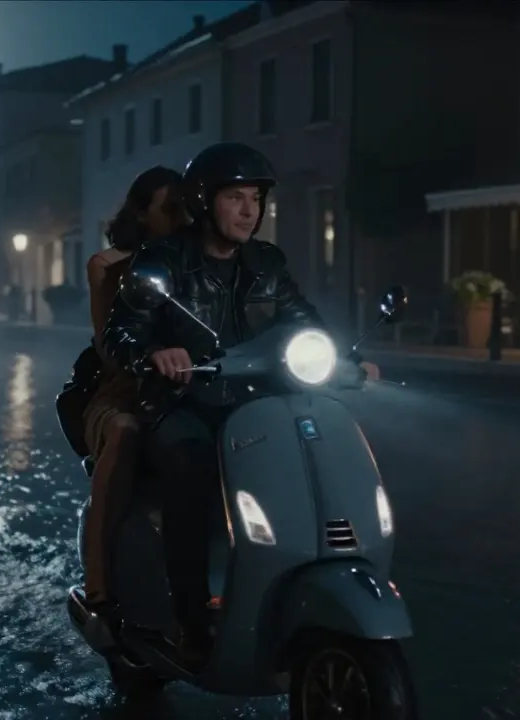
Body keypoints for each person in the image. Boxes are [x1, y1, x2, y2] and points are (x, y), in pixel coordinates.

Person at [102, 143, 378, 666]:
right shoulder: (165, 260)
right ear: (205, 201)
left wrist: (344, 359)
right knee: (192, 465)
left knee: (313, 452)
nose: (250, 211)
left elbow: (303, 320)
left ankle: (286, 584)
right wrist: (154, 353)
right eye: (236, 198)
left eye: (256, 199)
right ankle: (192, 617)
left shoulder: (267, 263)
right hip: (183, 403)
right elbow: (121, 330)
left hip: (257, 404)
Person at [78, 165, 185, 609]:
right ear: (142, 214)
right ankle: (98, 580)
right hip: (124, 390)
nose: (184, 218)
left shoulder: (201, 259)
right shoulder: (109, 267)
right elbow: (109, 345)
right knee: (124, 431)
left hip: (190, 386)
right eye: (172, 208)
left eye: (188, 207)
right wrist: (151, 355)